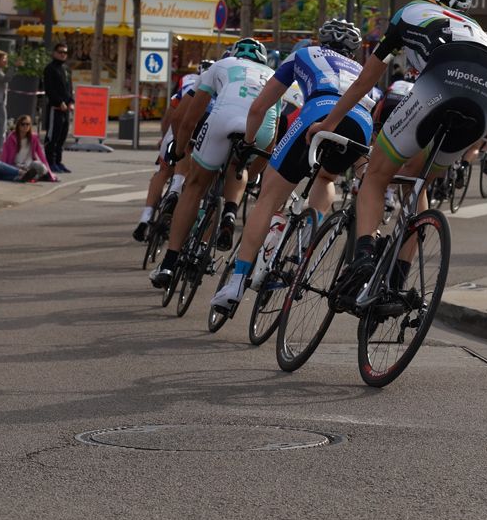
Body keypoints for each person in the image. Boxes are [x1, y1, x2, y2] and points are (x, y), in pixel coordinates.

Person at [306, 0, 487, 294]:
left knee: (376, 174)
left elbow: (364, 82)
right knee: (417, 179)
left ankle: (364, 257)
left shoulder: (410, 11)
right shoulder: (479, 30)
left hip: (443, 79)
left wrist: (327, 124)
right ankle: (397, 281)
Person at [208, 19, 375, 310]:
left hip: (318, 114)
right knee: (326, 178)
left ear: (320, 40)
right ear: (353, 50)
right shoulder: (361, 70)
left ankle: (236, 284)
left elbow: (260, 106)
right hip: (361, 124)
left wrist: (249, 142)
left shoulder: (303, 54)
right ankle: (311, 227)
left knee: (268, 198)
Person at [149, 38, 281, 289]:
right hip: (260, 129)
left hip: (225, 118)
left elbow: (185, 120)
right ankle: (230, 213)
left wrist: (177, 153)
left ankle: (168, 262)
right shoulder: (273, 74)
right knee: (236, 168)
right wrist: (249, 176)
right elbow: (270, 144)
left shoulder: (220, 65)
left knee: (196, 186)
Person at [132, 60, 214, 242]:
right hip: (204, 132)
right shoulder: (222, 84)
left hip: (177, 131)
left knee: (163, 171)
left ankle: (145, 217)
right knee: (198, 178)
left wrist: (164, 137)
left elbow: (171, 115)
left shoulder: (187, 80)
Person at [43, 42, 74, 173]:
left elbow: (69, 88)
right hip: (55, 109)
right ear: (55, 53)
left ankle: (58, 161)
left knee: (62, 137)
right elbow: (49, 89)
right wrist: (59, 101)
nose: (63, 55)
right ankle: (50, 162)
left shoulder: (66, 69)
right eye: (60, 52)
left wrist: (71, 102)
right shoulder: (50, 68)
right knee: (53, 137)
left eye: (65, 53)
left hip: (65, 110)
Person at [0, 49, 25, 156]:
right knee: (0, 130)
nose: (6, 61)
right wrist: (15, 67)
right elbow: (6, 79)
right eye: (4, 59)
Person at [0, 115, 56, 182]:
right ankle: (30, 176)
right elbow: (4, 153)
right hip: (15, 165)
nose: (25, 126)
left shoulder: (33, 138)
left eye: (27, 124)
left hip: (30, 164)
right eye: (22, 124)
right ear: (18, 125)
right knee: (18, 171)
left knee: (42, 168)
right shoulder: (11, 137)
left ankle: (31, 175)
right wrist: (2, 168)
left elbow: (41, 155)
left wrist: (50, 174)